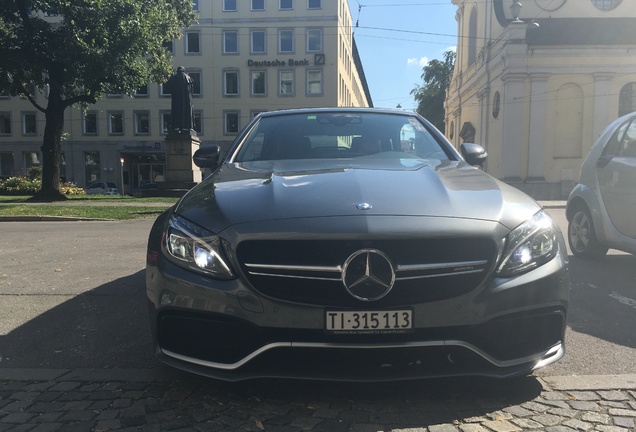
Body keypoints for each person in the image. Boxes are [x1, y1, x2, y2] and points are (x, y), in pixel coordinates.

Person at [165, 66, 194, 133]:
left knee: (176, 112)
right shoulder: (188, 78)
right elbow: (192, 91)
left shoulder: (174, 78)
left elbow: (169, 89)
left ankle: (176, 126)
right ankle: (188, 126)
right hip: (186, 102)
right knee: (186, 113)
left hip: (176, 102)